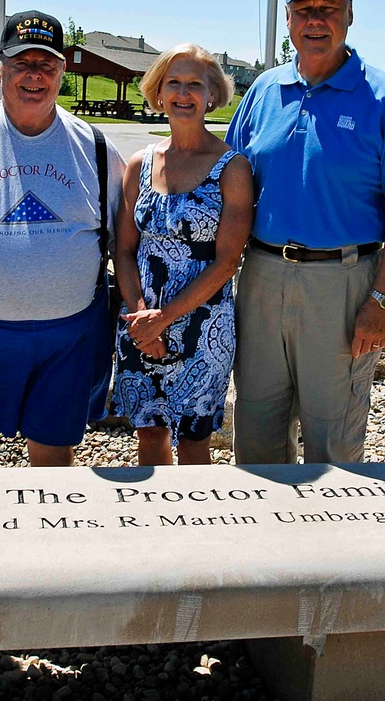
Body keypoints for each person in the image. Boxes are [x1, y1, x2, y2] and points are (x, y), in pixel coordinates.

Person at [227, 0, 385, 464]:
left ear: (349, 14)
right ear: (289, 19)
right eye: (304, 8)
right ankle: (263, 535)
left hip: (343, 284)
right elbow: (229, 184)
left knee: (332, 436)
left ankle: (332, 542)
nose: (316, 19)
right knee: (256, 426)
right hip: (261, 277)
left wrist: (382, 300)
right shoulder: (264, 91)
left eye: (329, 6)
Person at [0, 10, 125, 468]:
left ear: (63, 72)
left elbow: (121, 241)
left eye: (46, 64)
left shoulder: (94, 146)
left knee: (54, 456)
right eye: (21, 62)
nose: (34, 75)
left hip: (69, 335)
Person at [112, 44, 253, 466]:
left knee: (194, 442)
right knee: (149, 436)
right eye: (173, 82)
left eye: (196, 84)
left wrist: (164, 319)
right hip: (141, 322)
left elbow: (228, 262)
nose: (183, 93)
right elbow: (123, 248)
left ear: (212, 95)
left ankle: (197, 528)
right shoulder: (140, 164)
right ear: (158, 93)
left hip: (203, 324)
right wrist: (142, 318)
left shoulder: (232, 168)